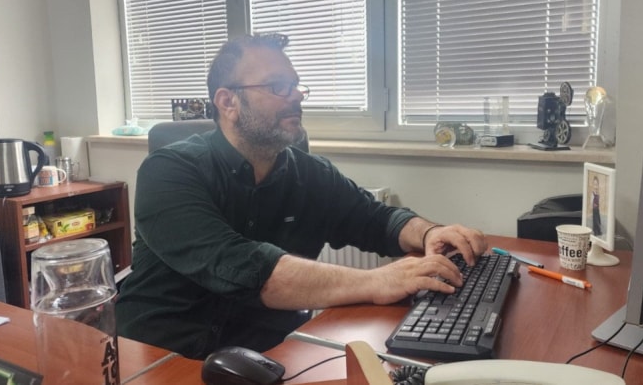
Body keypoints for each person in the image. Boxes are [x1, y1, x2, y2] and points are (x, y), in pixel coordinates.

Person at [115, 33, 488, 360]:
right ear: (228, 102)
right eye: (278, 86)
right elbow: (244, 267)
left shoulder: (311, 174)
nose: (296, 96)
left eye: (296, 85)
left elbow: (375, 218)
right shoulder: (168, 171)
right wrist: (379, 280)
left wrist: (428, 232)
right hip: (159, 356)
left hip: (270, 357)